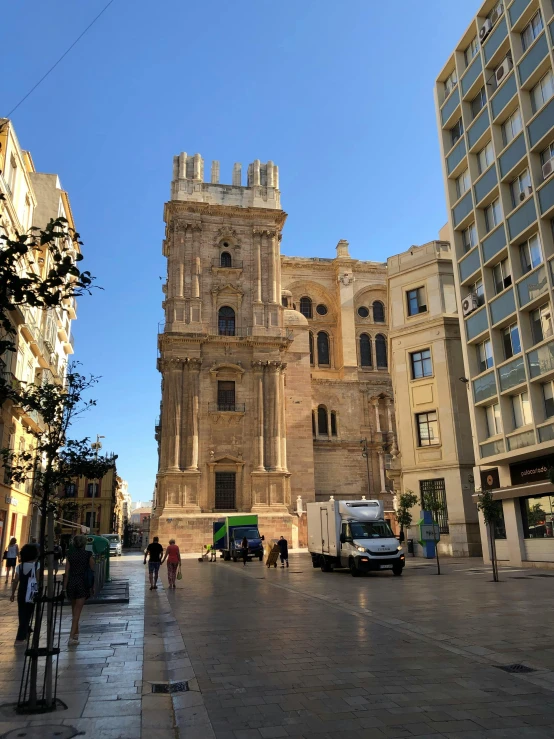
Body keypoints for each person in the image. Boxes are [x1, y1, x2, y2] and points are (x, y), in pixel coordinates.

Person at [63, 534, 95, 645]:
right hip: (82, 583)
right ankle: (71, 637)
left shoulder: (70, 555)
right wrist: (93, 587)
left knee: (74, 610)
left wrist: (64, 588)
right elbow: (92, 570)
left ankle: (76, 634)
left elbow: (66, 573)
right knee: (77, 612)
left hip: (72, 583)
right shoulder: (88, 555)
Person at [10, 544, 39, 646]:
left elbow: (15, 581)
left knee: (22, 613)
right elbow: (38, 580)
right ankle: (20, 638)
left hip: (21, 592)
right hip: (31, 592)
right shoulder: (36, 565)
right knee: (28, 613)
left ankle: (26, 629)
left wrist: (12, 593)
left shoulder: (19, 567)